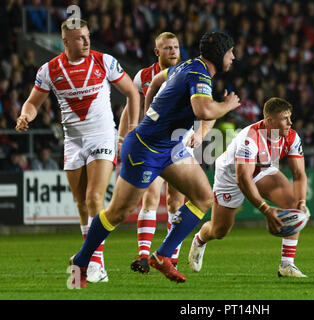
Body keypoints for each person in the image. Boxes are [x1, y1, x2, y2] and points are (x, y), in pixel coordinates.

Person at [69, 31, 240, 287]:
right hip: (145, 149)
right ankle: (81, 262)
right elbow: (203, 110)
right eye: (231, 52)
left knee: (204, 196)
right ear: (220, 53)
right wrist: (228, 104)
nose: (234, 57)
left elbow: (158, 81)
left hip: (169, 147)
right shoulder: (198, 73)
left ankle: (162, 256)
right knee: (117, 212)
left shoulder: (188, 65)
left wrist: (150, 110)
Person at [15, 18, 140, 283]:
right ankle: (89, 263)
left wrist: (132, 128)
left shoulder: (103, 61)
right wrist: (25, 115)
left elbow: (132, 92)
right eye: (80, 38)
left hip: (102, 137)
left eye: (87, 36)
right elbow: (32, 102)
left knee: (95, 196)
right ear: (66, 42)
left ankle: (97, 264)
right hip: (73, 142)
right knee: (82, 202)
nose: (86, 42)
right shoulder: (49, 70)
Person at [117, 32, 213, 272]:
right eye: (168, 47)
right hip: (151, 143)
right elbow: (131, 108)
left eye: (176, 47)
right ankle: (142, 256)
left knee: (175, 201)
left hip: (178, 145)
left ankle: (170, 256)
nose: (173, 51)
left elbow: (204, 107)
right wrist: (123, 137)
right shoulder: (143, 77)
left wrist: (199, 135)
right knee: (150, 196)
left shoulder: (188, 72)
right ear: (156, 52)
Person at [189, 97, 310, 278]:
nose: (290, 123)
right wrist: (266, 209)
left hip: (262, 169)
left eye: (290, 117)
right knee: (219, 231)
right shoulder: (250, 137)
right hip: (231, 176)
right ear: (269, 121)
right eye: (285, 118)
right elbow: (243, 179)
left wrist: (301, 202)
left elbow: (299, 174)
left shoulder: (291, 136)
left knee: (293, 203)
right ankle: (200, 239)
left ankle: (287, 265)